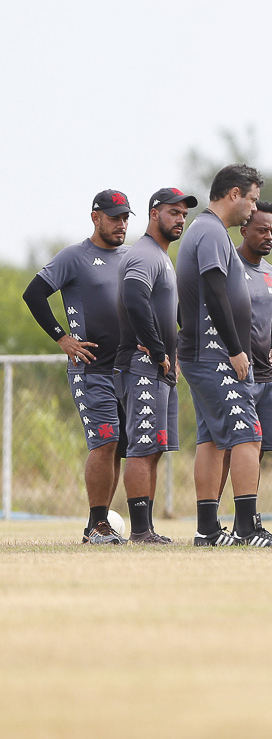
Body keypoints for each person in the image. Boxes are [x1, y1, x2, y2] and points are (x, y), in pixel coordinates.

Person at [180, 164, 272, 547]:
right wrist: (236, 349)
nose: (252, 208)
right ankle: (247, 527)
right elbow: (214, 291)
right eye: (252, 199)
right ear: (234, 195)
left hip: (205, 352)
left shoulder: (209, 231)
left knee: (212, 440)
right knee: (248, 434)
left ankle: (207, 530)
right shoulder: (209, 231)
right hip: (215, 355)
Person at [23, 190, 131, 544]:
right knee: (105, 442)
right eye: (114, 217)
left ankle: (96, 525)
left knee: (119, 446)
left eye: (125, 217)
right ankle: (98, 524)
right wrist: (61, 338)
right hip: (92, 369)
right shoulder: (75, 257)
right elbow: (34, 294)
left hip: (128, 370)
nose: (121, 224)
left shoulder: (131, 257)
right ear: (95, 218)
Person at [115, 188, 193, 543]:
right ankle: (139, 531)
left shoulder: (163, 257)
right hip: (141, 364)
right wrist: (160, 353)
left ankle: (147, 528)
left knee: (156, 446)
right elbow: (134, 298)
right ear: (153, 214)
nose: (179, 220)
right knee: (142, 445)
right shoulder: (144, 254)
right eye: (173, 213)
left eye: (183, 215)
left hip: (160, 368)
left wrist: (172, 356)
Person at [235, 201, 272, 467]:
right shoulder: (229, 265)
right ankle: (213, 508)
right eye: (262, 230)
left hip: (266, 375)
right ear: (244, 230)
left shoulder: (271, 272)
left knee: (260, 447)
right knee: (232, 447)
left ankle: (246, 507)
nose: (269, 237)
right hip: (238, 373)